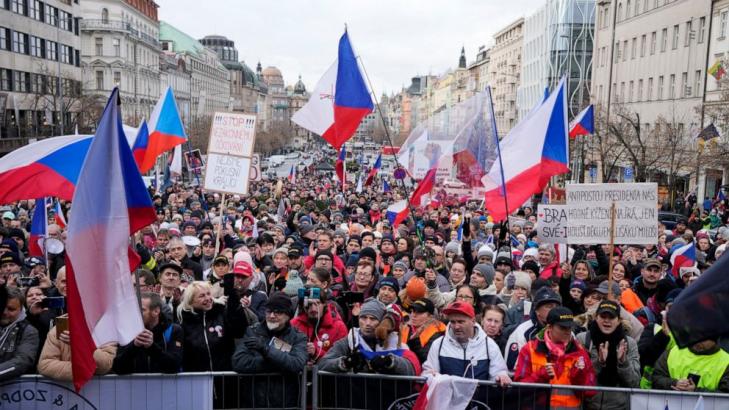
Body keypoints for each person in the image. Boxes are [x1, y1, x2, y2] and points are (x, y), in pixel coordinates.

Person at [232, 292, 308, 408]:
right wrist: (279, 364)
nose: (272, 316)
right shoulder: (252, 332)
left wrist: (266, 350)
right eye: (268, 311)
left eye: (278, 312)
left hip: (285, 403)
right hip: (254, 401)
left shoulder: (298, 337)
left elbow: (296, 363)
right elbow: (238, 362)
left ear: (288, 315)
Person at [513, 306, 596, 408]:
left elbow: (590, 392)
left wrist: (578, 376)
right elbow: (518, 388)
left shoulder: (580, 353)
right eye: (562, 327)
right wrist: (540, 376)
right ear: (549, 327)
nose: (567, 331)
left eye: (569, 327)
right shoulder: (529, 350)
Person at [422, 300, 511, 385]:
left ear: (473, 321)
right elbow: (428, 372)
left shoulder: (489, 345)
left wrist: (501, 376)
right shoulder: (438, 344)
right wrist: (429, 375)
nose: (456, 326)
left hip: (478, 400)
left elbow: (498, 372)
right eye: (453, 322)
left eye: (461, 322)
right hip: (447, 400)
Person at [319, 299, 416, 375]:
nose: (367, 323)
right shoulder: (350, 341)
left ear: (381, 321)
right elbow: (323, 364)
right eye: (363, 318)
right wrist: (345, 362)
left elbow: (411, 368)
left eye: (373, 319)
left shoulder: (394, 341)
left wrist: (389, 362)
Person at [575, 301, 640, 409]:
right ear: (596, 317)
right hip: (587, 405)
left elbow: (634, 383)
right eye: (603, 316)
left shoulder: (629, 343)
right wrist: (598, 363)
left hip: (619, 407)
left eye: (611, 317)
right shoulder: (582, 340)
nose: (607, 321)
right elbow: (577, 378)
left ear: (619, 320)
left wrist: (623, 362)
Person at [113, 292, 184, 374]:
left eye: (142, 310)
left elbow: (174, 366)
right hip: (134, 385)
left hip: (164, 385)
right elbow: (118, 368)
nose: (137, 314)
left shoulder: (173, 330)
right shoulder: (128, 331)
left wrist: (151, 347)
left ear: (156, 311)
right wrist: (134, 346)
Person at [290, 286, 348, 364]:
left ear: (325, 304)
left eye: (317, 303)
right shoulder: (294, 324)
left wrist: (316, 353)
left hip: (325, 374)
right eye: (309, 304)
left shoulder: (339, 327)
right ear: (303, 306)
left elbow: (340, 357)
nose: (313, 309)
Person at [652, 337, 729, 392]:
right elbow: (656, 378)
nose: (698, 341)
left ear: (714, 340)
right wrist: (674, 383)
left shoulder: (726, 362)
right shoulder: (673, 352)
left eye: (704, 338)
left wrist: (696, 391)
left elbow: (725, 395)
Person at [0, 287, 39, 381]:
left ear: (21, 309)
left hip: (13, 390)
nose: (4, 312)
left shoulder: (29, 331)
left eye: (11, 309)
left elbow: (22, 362)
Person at [400, 298, 445, 364]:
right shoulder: (405, 327)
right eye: (412, 311)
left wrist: (414, 341)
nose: (414, 315)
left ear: (430, 316)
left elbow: (426, 359)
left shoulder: (437, 332)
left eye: (419, 312)